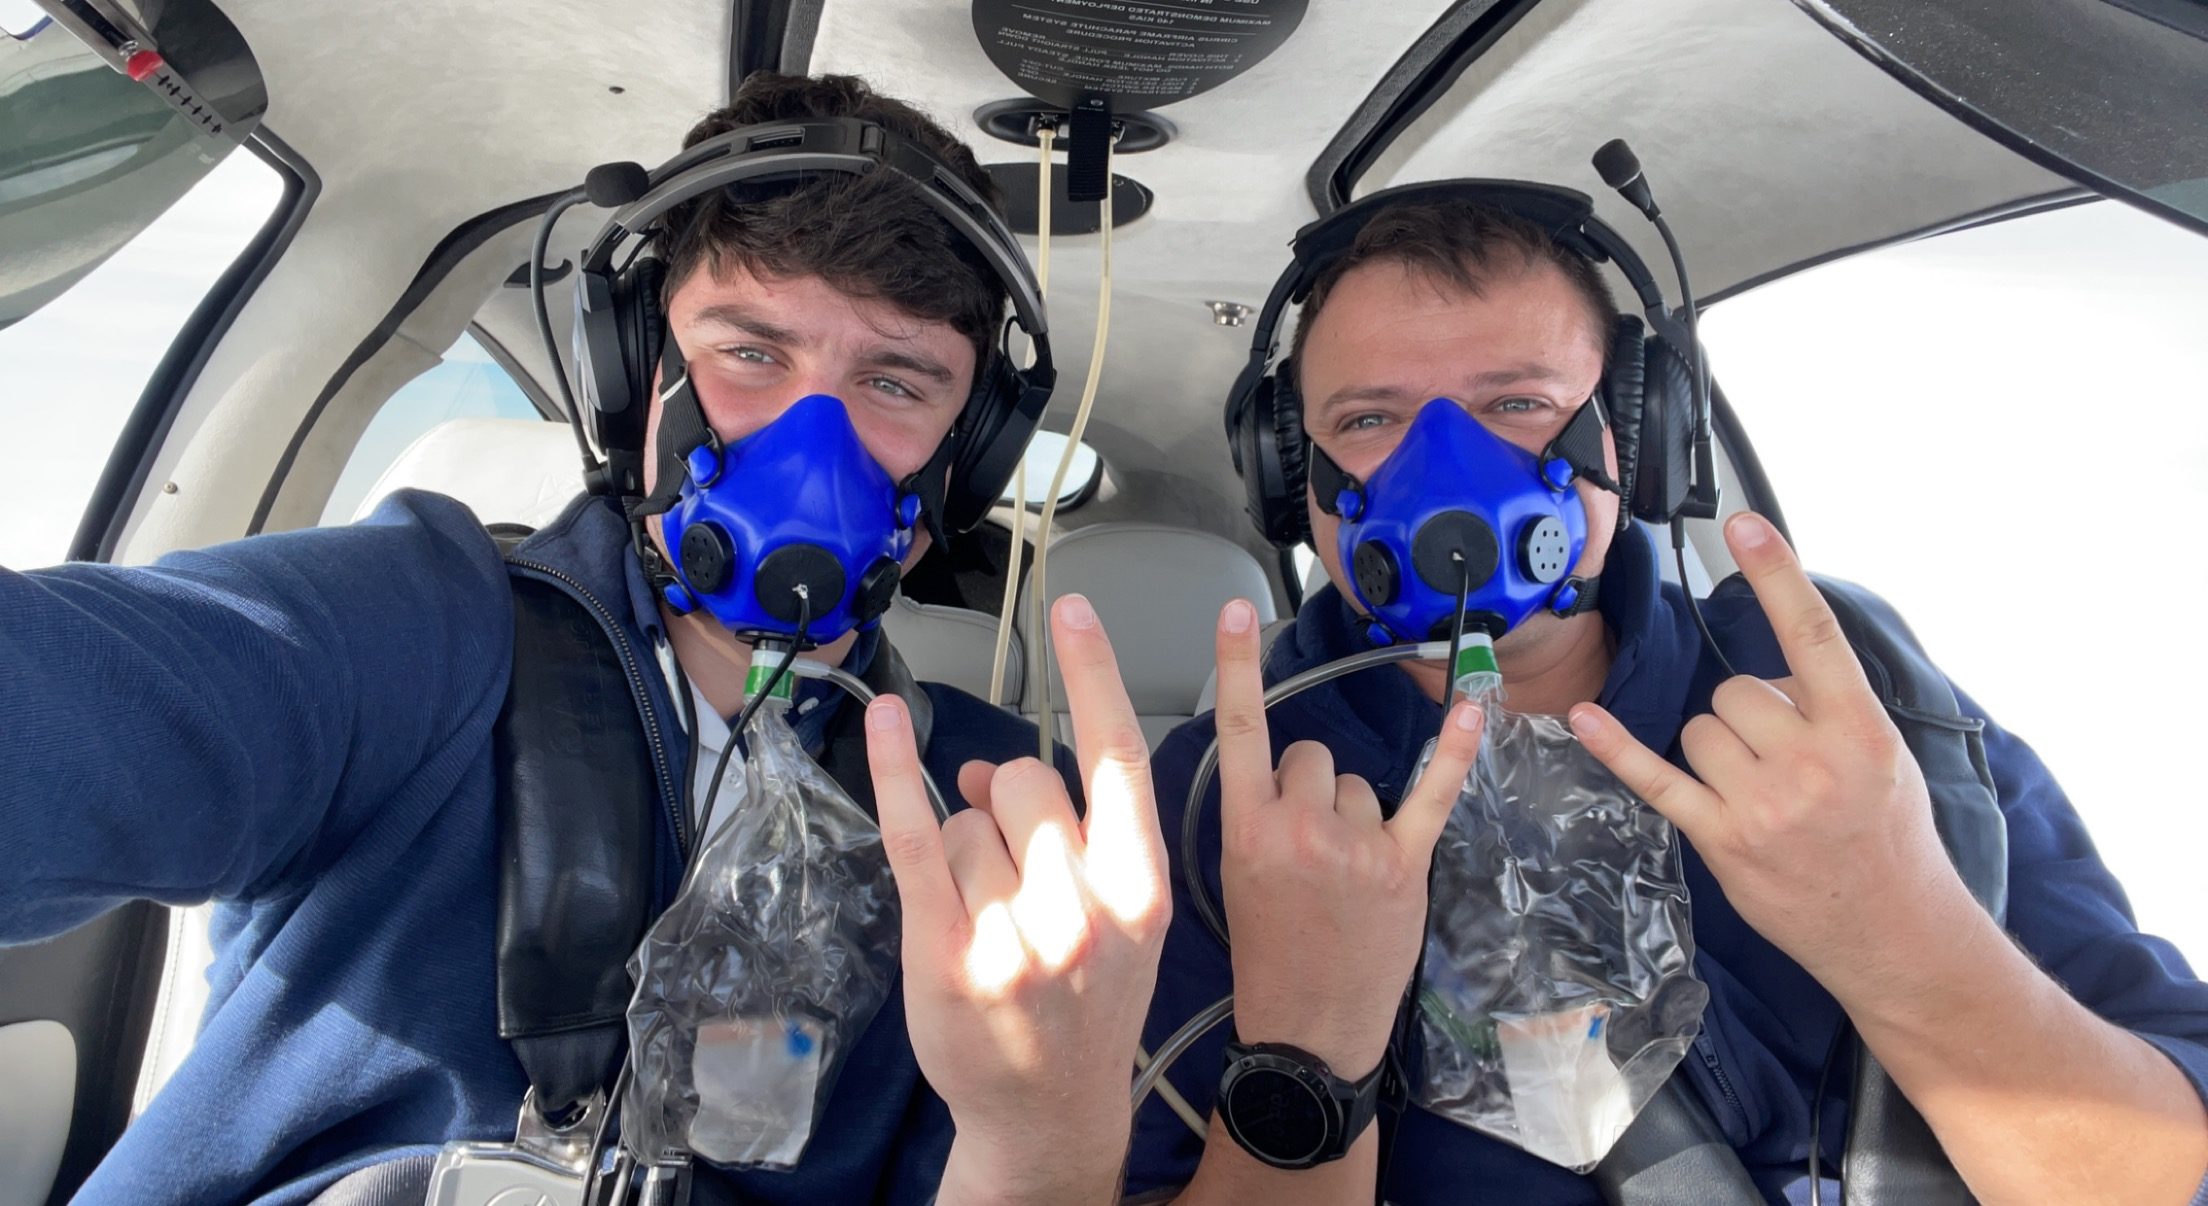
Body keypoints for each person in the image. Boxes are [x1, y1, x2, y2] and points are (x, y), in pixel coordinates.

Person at [0, 72, 1167, 1206]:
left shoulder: (1003, 827)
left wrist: (1046, 1134)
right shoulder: (414, 623)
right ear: (635, 383)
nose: (815, 445)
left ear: (971, 460)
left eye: (897, 382)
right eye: (751, 352)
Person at [1127, 193, 2208, 1203]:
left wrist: (1906, 937)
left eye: (1517, 402)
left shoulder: (1846, 686)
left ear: (1630, 445)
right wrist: (1310, 1048)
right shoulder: (1234, 794)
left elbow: (2165, 1171)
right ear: (1288, 473)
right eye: (1369, 419)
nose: (1444, 474)